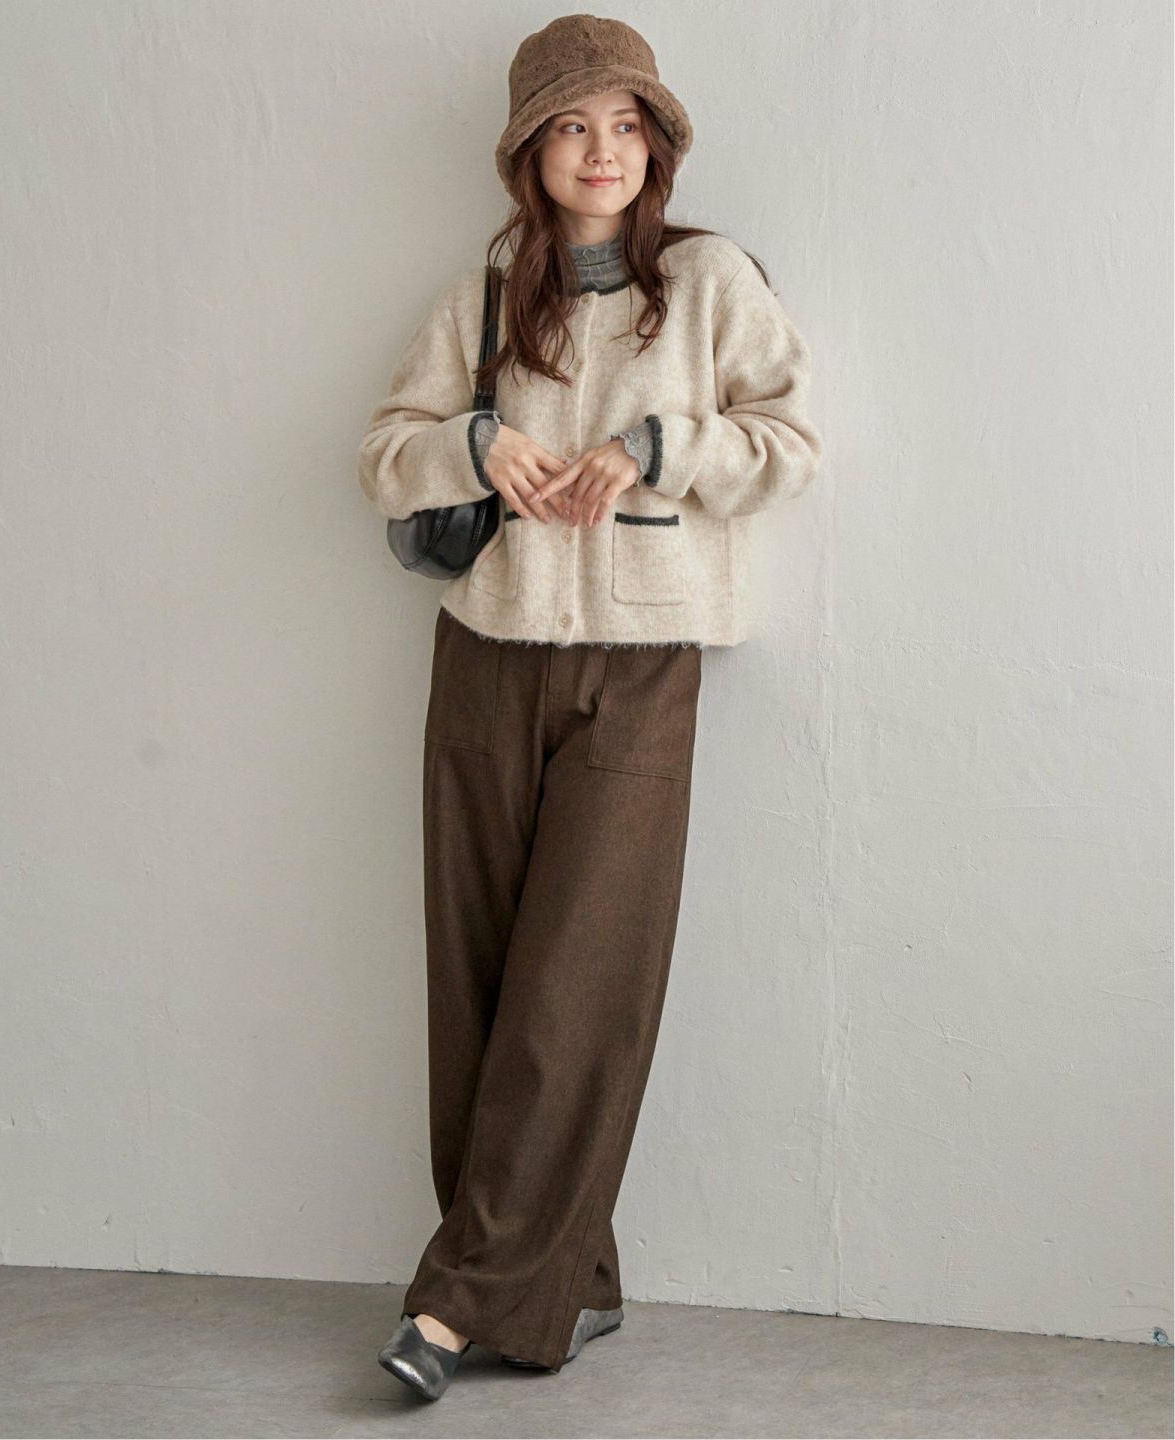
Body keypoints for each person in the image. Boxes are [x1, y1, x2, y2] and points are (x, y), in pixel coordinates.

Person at [357, 13, 823, 1401]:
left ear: (658, 144)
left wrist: (656, 447)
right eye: (572, 126)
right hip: (486, 655)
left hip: (641, 665)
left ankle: (454, 1305)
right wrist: (477, 446)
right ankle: (576, 1280)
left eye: (625, 125)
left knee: (576, 990)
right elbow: (384, 454)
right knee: (480, 988)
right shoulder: (490, 287)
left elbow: (792, 443)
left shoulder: (711, 281)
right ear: (531, 151)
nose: (601, 151)